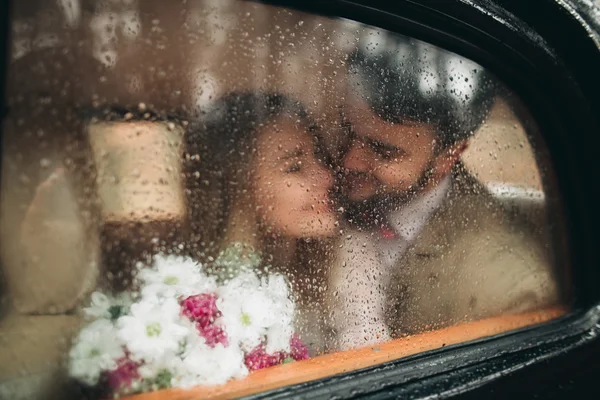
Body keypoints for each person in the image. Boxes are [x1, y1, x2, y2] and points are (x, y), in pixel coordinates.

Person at [328, 34, 560, 349]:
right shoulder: (321, 185)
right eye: (347, 128)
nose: (349, 161)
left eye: (383, 152)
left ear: (446, 158)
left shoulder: (505, 291)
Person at [184, 91, 338, 353]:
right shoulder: (212, 297)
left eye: (320, 157)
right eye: (294, 167)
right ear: (238, 187)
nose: (327, 177)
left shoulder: (338, 263)